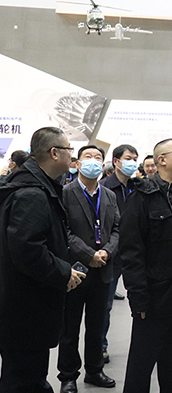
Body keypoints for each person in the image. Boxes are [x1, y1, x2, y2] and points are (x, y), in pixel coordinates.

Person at [0, 127, 85, 392]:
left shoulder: (31, 185)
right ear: (54, 152)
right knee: (24, 379)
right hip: (26, 308)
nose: (73, 155)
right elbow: (28, 250)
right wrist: (63, 272)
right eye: (69, 149)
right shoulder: (32, 194)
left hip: (21, 305)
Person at [120, 139, 172, 393]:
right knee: (140, 371)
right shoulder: (143, 197)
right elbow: (131, 252)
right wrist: (139, 300)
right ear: (161, 160)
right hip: (155, 303)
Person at [58, 145, 119, 392]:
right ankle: (68, 376)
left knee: (97, 326)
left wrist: (107, 251)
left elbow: (116, 229)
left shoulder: (109, 195)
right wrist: (89, 254)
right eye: (88, 157)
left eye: (98, 157)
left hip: (103, 269)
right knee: (69, 327)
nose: (94, 160)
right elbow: (64, 231)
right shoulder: (65, 193)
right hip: (76, 269)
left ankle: (94, 370)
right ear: (78, 163)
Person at [100, 144, 139, 361]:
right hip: (113, 254)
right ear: (116, 161)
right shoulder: (105, 187)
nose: (132, 162)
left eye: (135, 159)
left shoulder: (137, 187)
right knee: (105, 305)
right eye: (128, 158)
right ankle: (101, 345)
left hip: (134, 253)